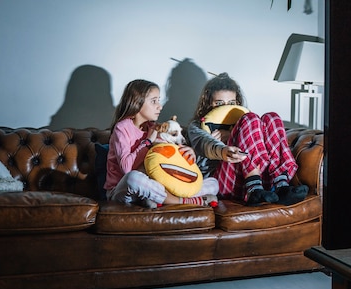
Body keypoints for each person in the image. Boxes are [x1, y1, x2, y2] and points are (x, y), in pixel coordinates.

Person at [187, 73, 308, 206]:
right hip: (223, 183)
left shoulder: (244, 123)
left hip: (260, 183)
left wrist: (234, 133)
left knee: (271, 117)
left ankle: (281, 186)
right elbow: (205, 143)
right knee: (250, 118)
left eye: (231, 103)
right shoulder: (197, 126)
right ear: (208, 103)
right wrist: (223, 147)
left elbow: (260, 142)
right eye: (219, 103)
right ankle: (253, 189)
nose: (226, 108)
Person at [104, 79, 219, 208]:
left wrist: (189, 152)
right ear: (137, 102)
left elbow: (167, 159)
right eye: (154, 101)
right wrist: (147, 142)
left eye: (159, 100)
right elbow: (127, 169)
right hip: (124, 190)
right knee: (134, 178)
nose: (160, 106)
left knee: (213, 183)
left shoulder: (154, 128)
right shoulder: (122, 128)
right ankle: (182, 201)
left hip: (153, 186)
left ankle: (160, 198)